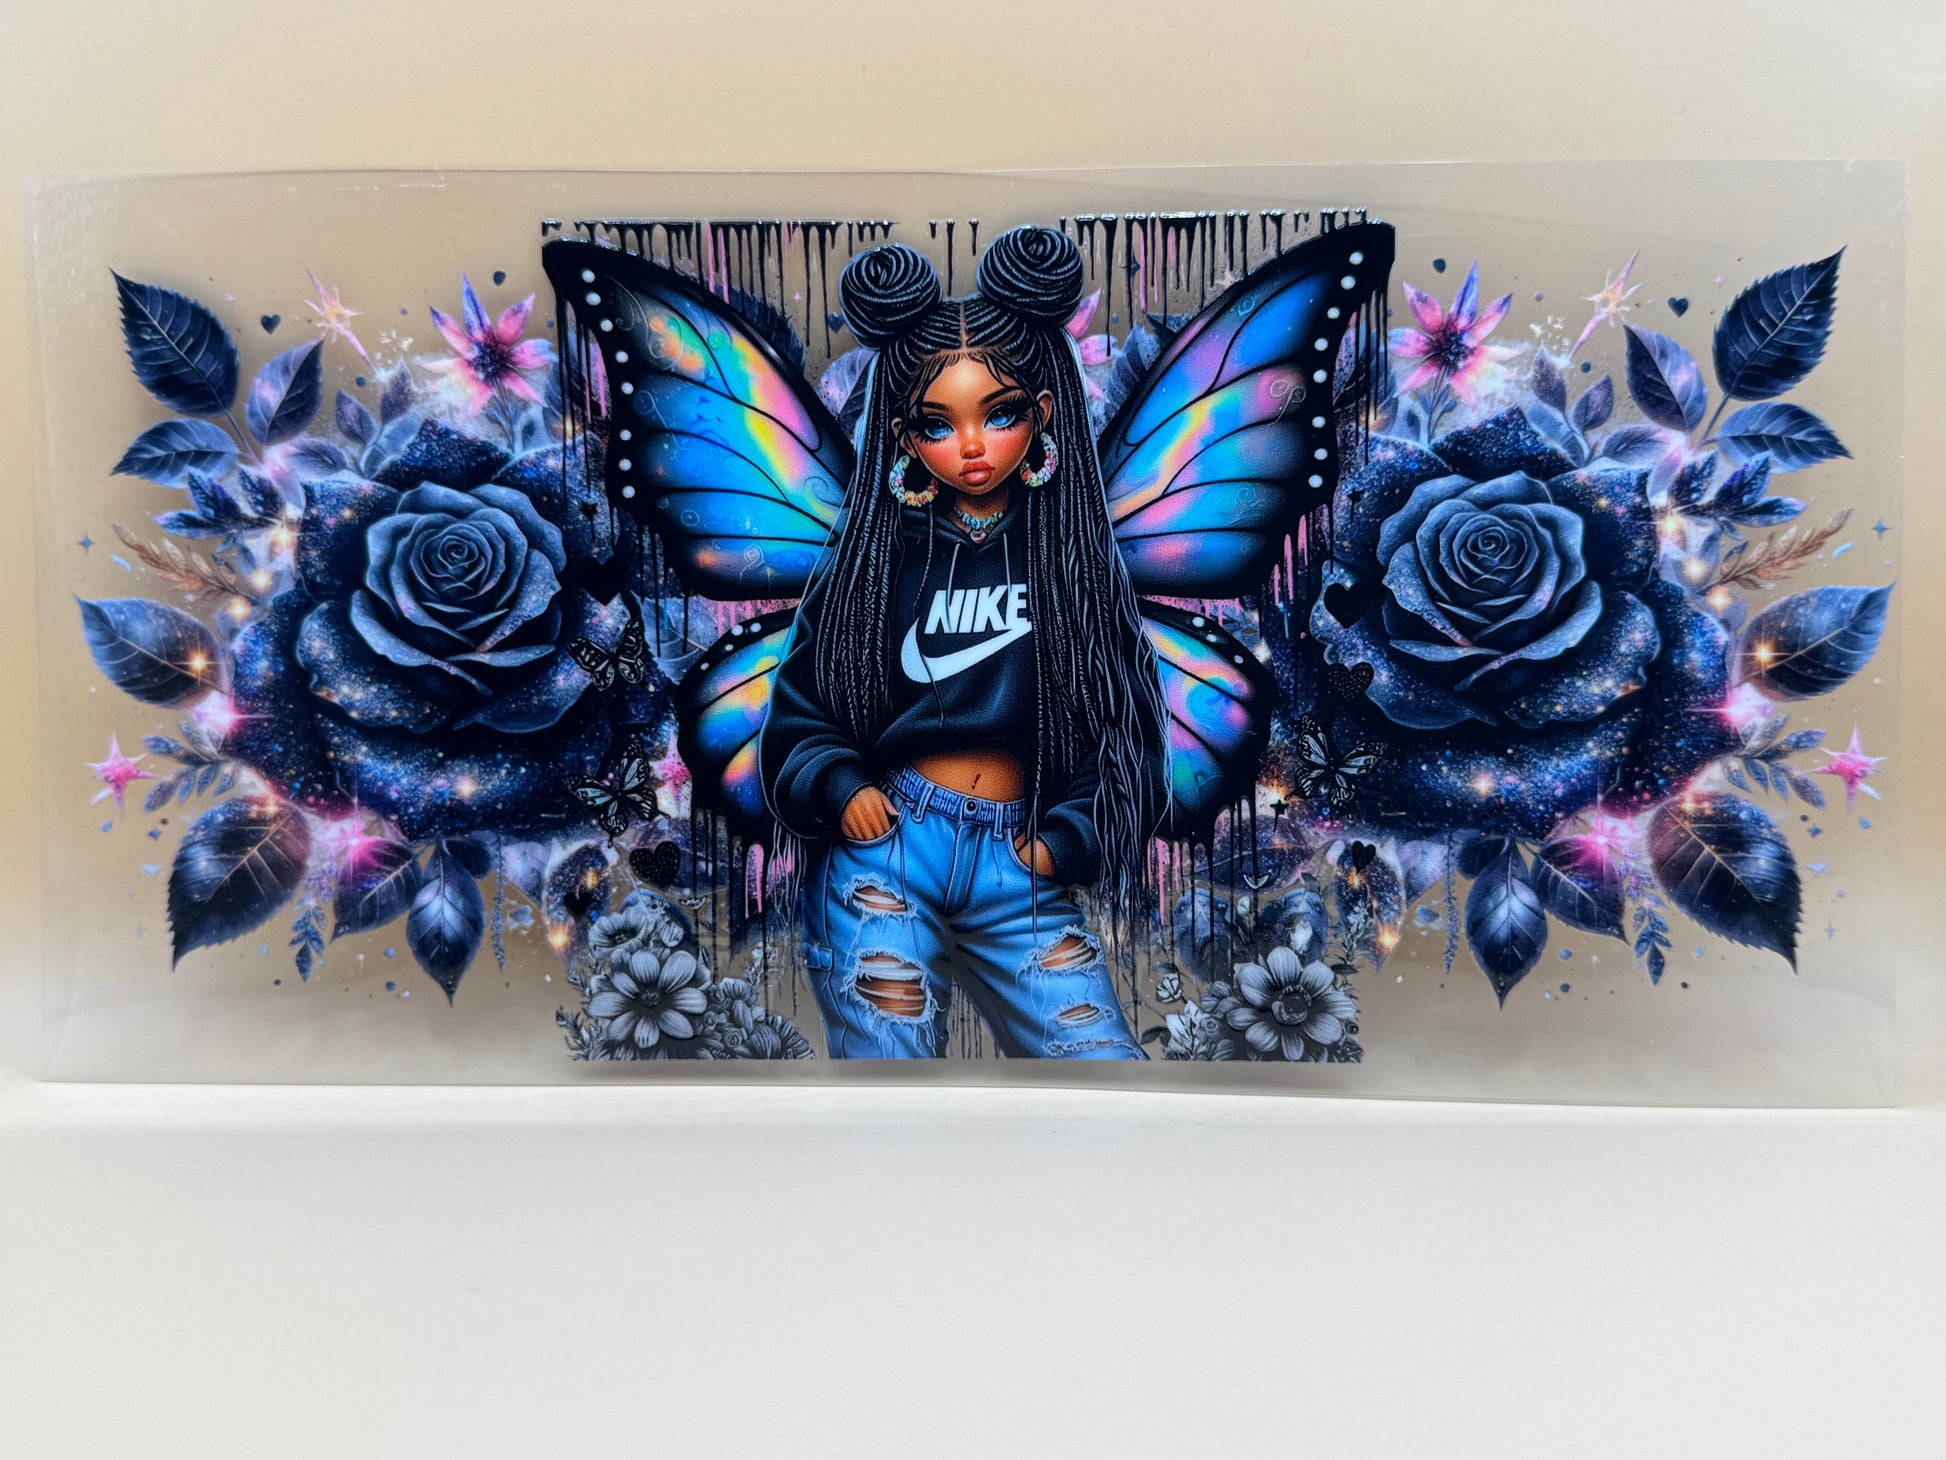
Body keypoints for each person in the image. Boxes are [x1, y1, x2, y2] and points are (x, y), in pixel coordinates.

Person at [759, 226, 1167, 1059]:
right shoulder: (872, 564)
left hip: (1019, 860)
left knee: (1098, 1062)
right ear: (904, 435)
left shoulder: (1071, 562)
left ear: (1043, 413)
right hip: (888, 851)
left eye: (1000, 413)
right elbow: (800, 711)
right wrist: (839, 784)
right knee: (887, 1060)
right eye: (938, 424)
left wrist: (1065, 840)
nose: (972, 446)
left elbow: (1123, 725)